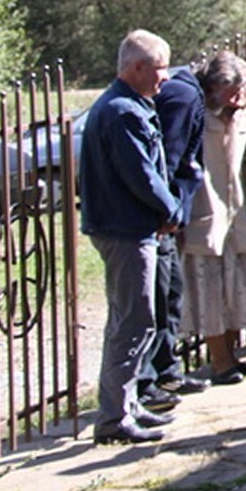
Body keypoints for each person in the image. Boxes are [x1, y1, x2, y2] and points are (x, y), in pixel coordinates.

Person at [80, 30, 181, 444]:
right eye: (159, 69)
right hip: (125, 230)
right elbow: (142, 174)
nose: (164, 78)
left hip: (127, 226)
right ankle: (114, 418)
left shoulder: (126, 105)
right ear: (136, 68)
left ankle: (126, 404)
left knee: (132, 318)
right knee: (134, 321)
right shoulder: (122, 111)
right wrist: (171, 209)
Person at [182, 51, 246, 385]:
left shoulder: (245, 121)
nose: (238, 96)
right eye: (231, 89)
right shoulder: (198, 119)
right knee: (208, 288)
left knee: (236, 283)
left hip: (235, 210)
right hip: (205, 209)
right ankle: (219, 361)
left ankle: (231, 353)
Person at [140, 60, 207, 407]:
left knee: (170, 294)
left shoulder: (183, 92)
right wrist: (172, 209)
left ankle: (166, 370)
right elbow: (172, 154)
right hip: (157, 218)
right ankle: (150, 379)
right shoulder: (184, 98)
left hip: (166, 213)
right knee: (157, 299)